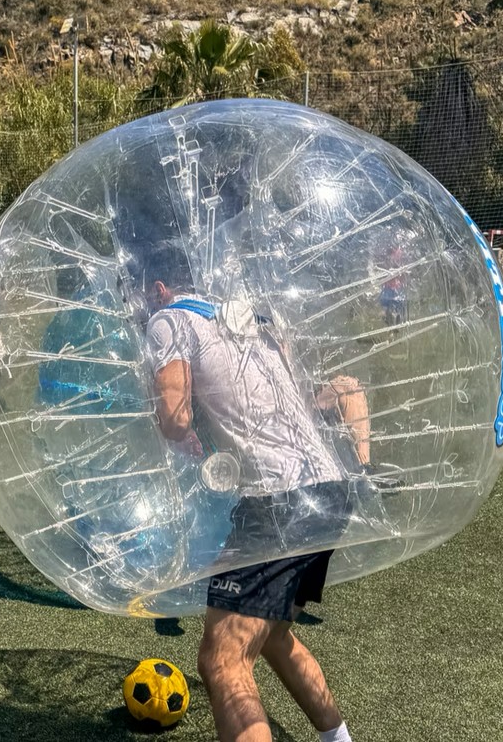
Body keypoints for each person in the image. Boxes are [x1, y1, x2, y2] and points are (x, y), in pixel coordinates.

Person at [140, 241, 368, 742]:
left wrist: (162, 411)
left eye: (142, 293)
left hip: (279, 500)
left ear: (160, 288)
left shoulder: (169, 321)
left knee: (221, 660)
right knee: (274, 636)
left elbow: (175, 420)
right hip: (326, 489)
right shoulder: (241, 318)